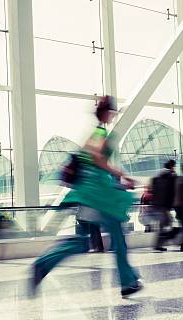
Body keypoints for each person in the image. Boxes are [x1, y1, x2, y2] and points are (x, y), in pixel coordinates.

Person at [31, 96, 143, 297]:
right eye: (112, 112)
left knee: (83, 242)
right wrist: (121, 175)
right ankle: (128, 282)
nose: (113, 116)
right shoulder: (100, 132)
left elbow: (87, 160)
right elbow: (97, 158)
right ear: (108, 113)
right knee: (117, 238)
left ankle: (42, 264)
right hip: (100, 196)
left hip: (86, 195)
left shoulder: (93, 133)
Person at [151, 159, 178, 252]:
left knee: (164, 224)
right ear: (172, 166)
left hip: (157, 204)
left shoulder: (156, 176)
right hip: (164, 205)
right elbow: (174, 188)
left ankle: (158, 244)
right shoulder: (170, 176)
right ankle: (162, 242)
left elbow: (152, 190)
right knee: (167, 223)